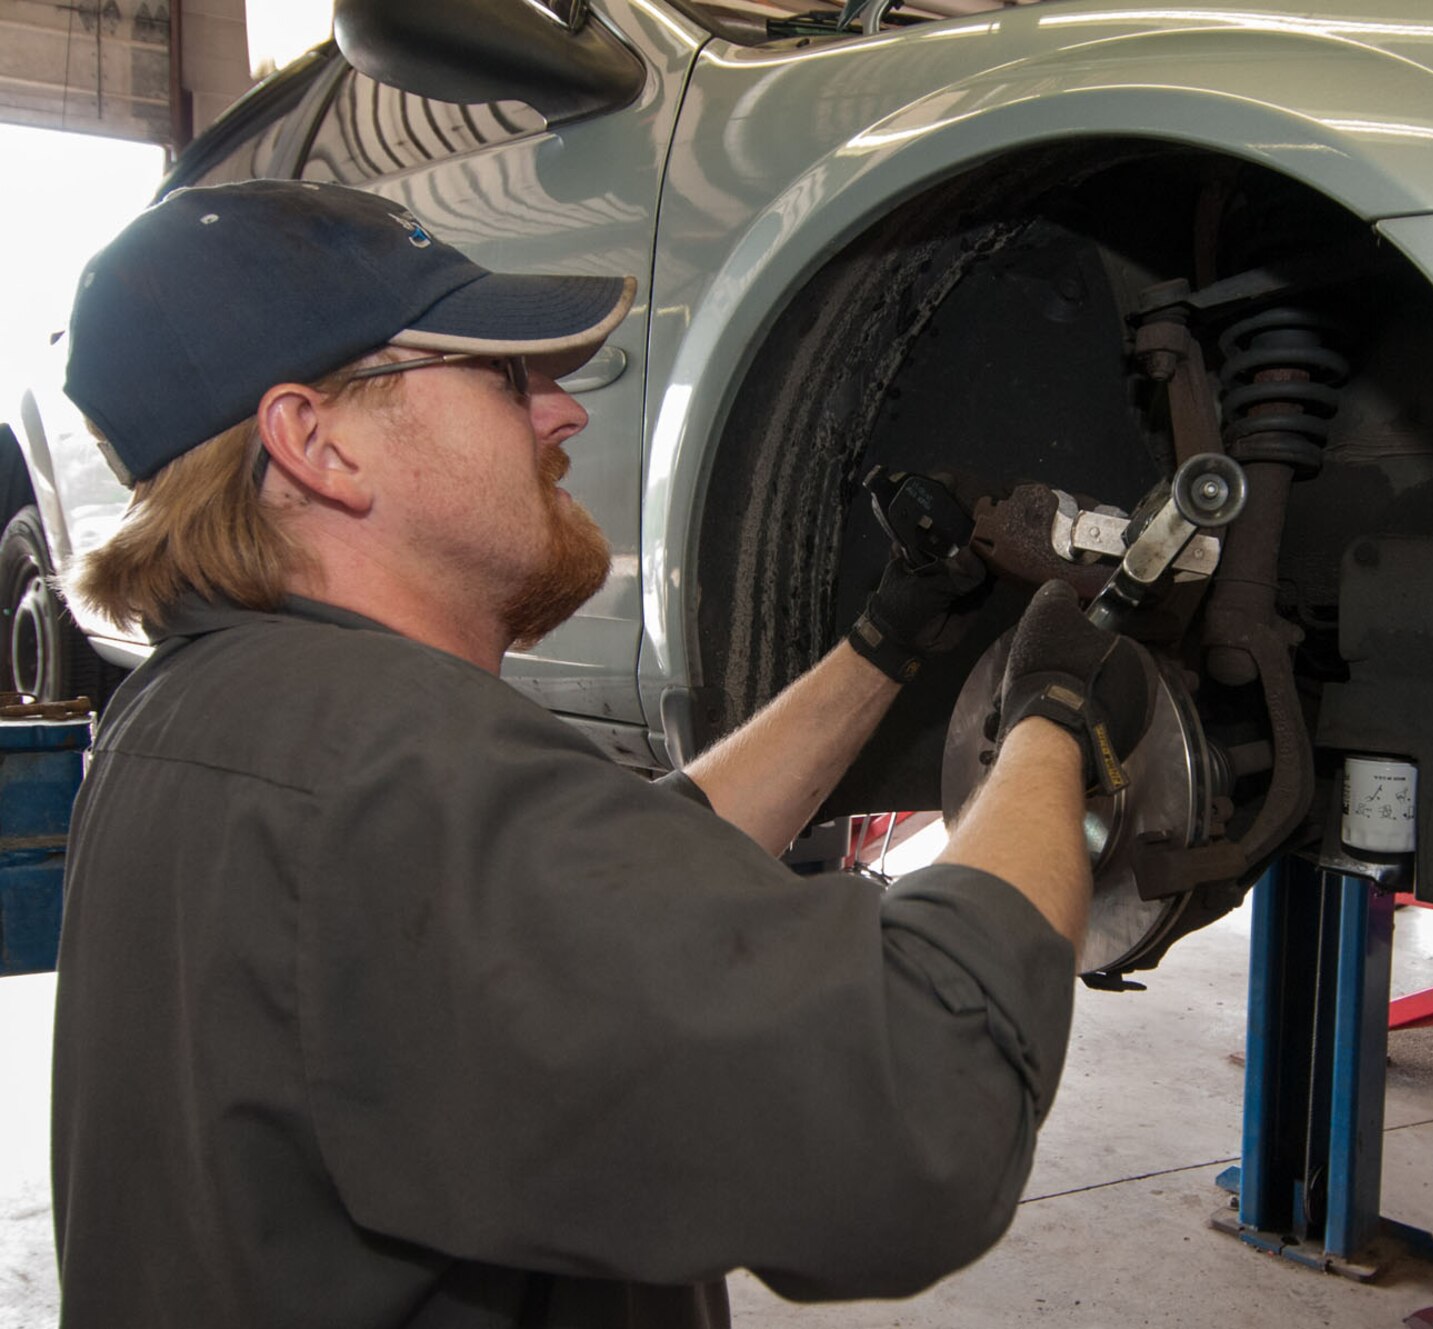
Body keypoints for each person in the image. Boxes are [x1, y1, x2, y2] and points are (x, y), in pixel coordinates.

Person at [48, 180, 1144, 1327]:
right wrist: (1051, 716)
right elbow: (933, 1098)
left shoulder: (191, 717)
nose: (562, 413)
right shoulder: (399, 767)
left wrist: (888, 639)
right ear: (316, 443)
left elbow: (614, 893)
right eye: (502, 375)